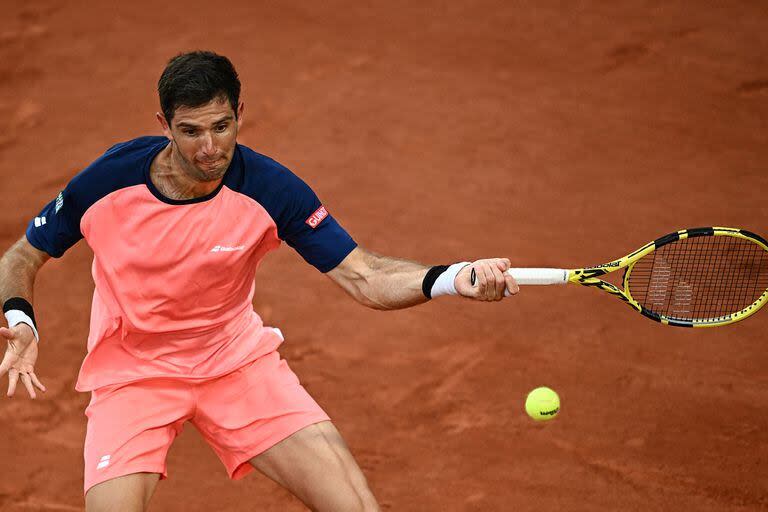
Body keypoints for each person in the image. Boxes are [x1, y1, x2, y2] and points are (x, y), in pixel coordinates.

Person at [0, 51, 519, 512]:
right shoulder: (106, 182)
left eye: (222, 127)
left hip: (235, 364)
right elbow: (22, 255)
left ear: (240, 115)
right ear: (164, 124)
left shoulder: (271, 188)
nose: (209, 148)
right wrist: (19, 316)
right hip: (135, 375)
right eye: (191, 131)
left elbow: (364, 276)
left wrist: (452, 278)